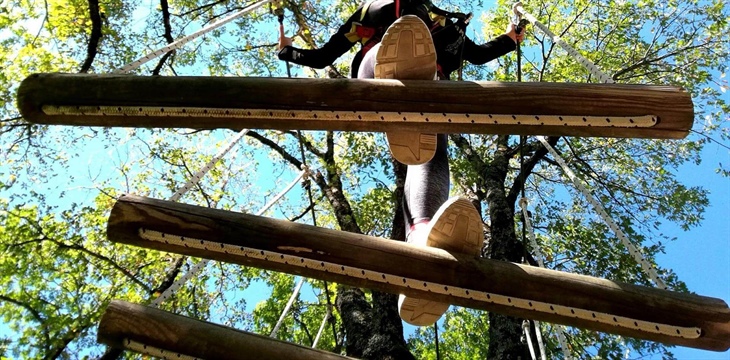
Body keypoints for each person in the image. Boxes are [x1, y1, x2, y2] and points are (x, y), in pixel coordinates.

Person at [277, 0, 524, 326]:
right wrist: (288, 52)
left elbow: (477, 54)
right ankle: (400, 77)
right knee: (389, 62)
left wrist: (511, 37)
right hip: (377, 73)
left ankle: (421, 238)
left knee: (431, 155)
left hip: (429, 90)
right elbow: (323, 57)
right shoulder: (367, 14)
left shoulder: (443, 25)